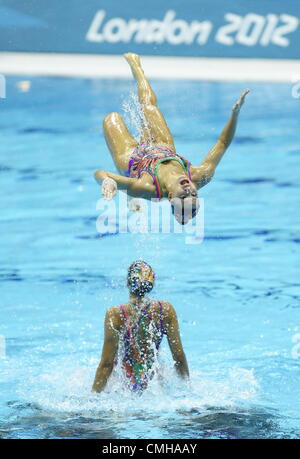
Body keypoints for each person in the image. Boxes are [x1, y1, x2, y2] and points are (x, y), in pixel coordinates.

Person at [94, 53, 249, 225]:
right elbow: (222, 143)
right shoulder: (200, 176)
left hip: (133, 159)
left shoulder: (146, 187)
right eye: (194, 194)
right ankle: (135, 64)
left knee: (112, 118)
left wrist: (108, 181)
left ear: (169, 196)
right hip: (163, 148)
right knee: (148, 105)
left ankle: (129, 196)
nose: (189, 189)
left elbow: (100, 174)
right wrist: (235, 114)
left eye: (183, 195)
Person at [92, 260, 189, 393]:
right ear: (152, 284)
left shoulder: (115, 314)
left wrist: (93, 397)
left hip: (123, 384)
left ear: (127, 283)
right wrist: (187, 388)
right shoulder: (165, 310)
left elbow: (106, 365)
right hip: (153, 384)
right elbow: (179, 357)